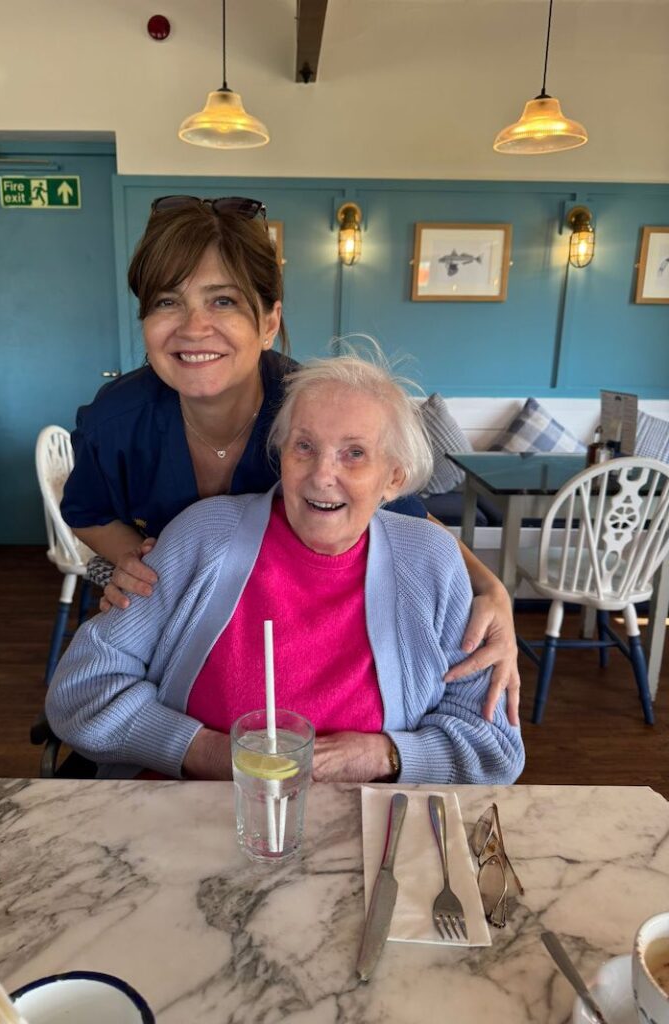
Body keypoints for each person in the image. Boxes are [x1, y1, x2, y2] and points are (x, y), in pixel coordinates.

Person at [60, 195, 519, 724]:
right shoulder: (117, 419)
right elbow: (86, 512)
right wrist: (146, 569)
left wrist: (491, 589)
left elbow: (401, 513)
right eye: (167, 301)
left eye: (223, 301)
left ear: (269, 321)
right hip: (176, 640)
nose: (193, 327)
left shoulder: (309, 415)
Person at [47, 354, 524, 785]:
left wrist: (385, 756)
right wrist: (207, 753)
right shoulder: (202, 535)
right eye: (304, 447)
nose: (321, 475)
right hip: (191, 810)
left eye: (354, 453)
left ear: (394, 477)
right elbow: (81, 693)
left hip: (364, 826)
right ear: (282, 455)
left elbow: (495, 748)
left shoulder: (430, 561)